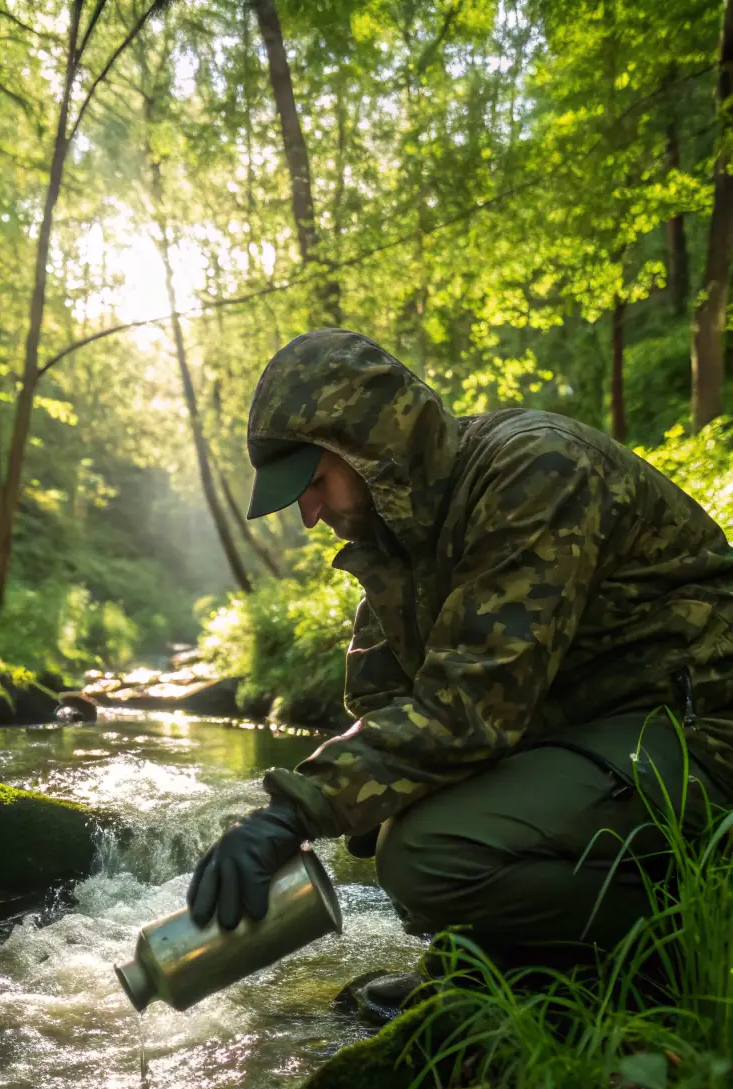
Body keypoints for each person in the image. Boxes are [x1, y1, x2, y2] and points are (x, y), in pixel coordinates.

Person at [186, 328, 733, 1015]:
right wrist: (330, 817)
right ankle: (497, 961)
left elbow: (470, 710)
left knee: (425, 854)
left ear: (370, 443)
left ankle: (673, 944)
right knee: (399, 825)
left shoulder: (535, 473)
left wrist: (293, 808)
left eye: (314, 482)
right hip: (598, 732)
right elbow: (390, 712)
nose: (308, 513)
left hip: (700, 732)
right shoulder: (400, 543)